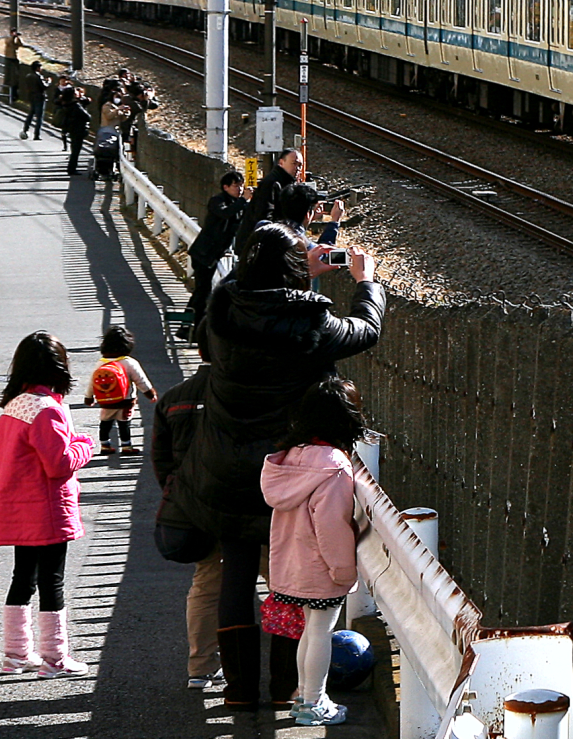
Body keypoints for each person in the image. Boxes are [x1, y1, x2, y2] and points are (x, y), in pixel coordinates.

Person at [181, 222, 382, 708]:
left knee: (235, 574)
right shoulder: (308, 321)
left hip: (227, 464)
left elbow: (238, 288)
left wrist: (290, 268)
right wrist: (366, 282)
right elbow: (366, 330)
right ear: (292, 270)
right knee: (290, 580)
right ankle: (283, 688)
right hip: (292, 467)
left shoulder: (223, 308)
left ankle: (238, 690)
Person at [0, 331, 95, 677]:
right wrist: (84, 446)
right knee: (52, 581)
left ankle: (16, 654)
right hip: (46, 509)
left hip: (18, 507)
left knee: (23, 578)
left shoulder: (13, 406)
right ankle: (55, 658)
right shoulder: (47, 409)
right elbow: (59, 464)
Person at [261, 379, 365, 726]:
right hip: (321, 566)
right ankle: (313, 702)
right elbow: (332, 527)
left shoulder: (290, 457)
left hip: (291, 563)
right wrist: (344, 571)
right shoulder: (334, 465)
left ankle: (306, 697)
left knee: (310, 629)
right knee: (320, 631)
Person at [152, 348, 225, 691]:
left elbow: (161, 460)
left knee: (207, 585)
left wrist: (179, 493)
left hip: (193, 507)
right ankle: (297, 674)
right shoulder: (242, 393)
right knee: (280, 582)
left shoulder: (172, 398)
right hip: (246, 507)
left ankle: (201, 666)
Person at [186, 169, 248, 333]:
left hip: (214, 254)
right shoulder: (217, 201)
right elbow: (225, 213)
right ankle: (193, 327)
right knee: (203, 291)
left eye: (241, 186)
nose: (240, 189)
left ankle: (188, 326)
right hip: (203, 253)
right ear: (225, 187)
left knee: (202, 291)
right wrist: (243, 200)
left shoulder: (238, 205)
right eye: (236, 186)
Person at [90, 326, 157, 456]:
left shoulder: (101, 363)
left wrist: (89, 397)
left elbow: (93, 381)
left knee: (105, 422)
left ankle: (105, 445)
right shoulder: (129, 362)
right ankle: (126, 446)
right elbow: (141, 380)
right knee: (124, 423)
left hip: (106, 400)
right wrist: (150, 394)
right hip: (125, 400)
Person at [241, 148, 302, 234]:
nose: (298, 168)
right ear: (281, 162)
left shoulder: (287, 183)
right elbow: (264, 215)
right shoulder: (271, 183)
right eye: (294, 163)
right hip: (259, 236)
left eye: (300, 165)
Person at [57, 82, 93, 176]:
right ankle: (72, 168)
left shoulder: (65, 103)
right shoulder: (76, 105)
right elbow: (87, 116)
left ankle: (71, 168)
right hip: (78, 128)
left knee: (74, 149)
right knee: (76, 150)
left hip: (71, 128)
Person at [19, 68, 51, 140]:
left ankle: (25, 129)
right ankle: (37, 135)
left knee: (30, 114)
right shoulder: (38, 76)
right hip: (39, 98)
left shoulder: (28, 76)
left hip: (32, 97)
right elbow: (44, 86)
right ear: (37, 68)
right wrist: (49, 82)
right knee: (39, 117)